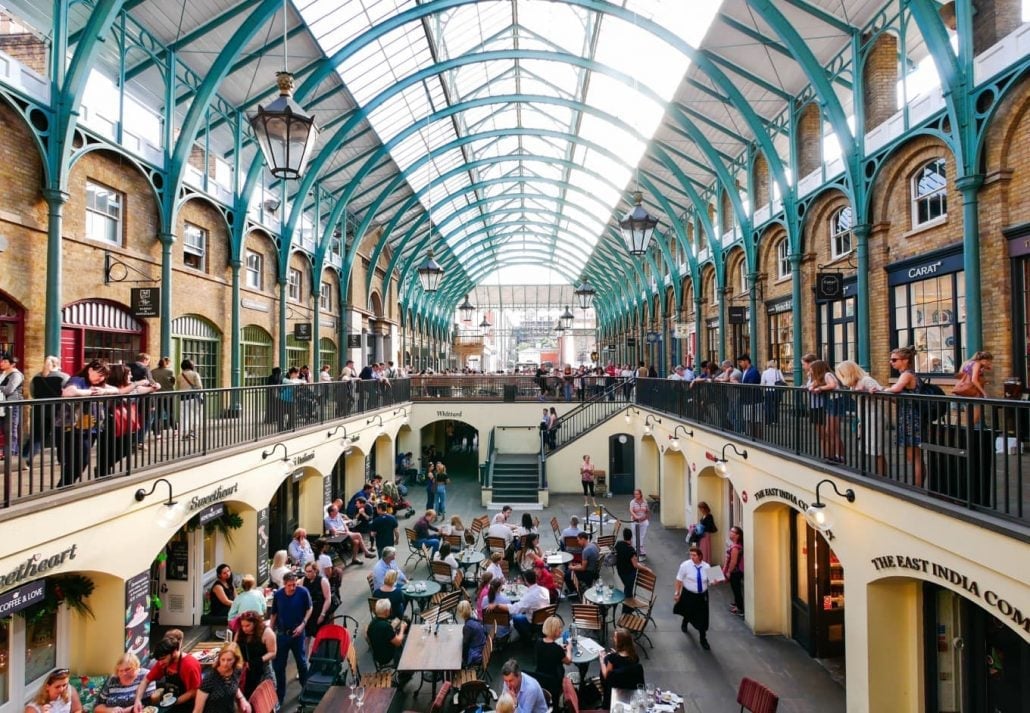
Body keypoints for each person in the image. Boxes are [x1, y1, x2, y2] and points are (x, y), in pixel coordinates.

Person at [58, 360, 117, 487]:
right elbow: (69, 393)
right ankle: (62, 488)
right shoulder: (78, 380)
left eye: (104, 376)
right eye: (99, 374)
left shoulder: (100, 385)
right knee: (78, 462)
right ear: (90, 370)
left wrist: (104, 391)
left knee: (77, 462)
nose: (101, 378)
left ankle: (64, 486)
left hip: (91, 428)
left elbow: (117, 390)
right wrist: (90, 392)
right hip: (74, 428)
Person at [835, 360, 887, 476]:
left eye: (842, 375)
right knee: (867, 447)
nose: (841, 378)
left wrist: (869, 391)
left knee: (876, 449)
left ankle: (882, 476)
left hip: (873, 416)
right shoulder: (853, 384)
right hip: (863, 416)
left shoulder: (866, 380)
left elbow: (882, 393)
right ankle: (870, 473)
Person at [269, 572, 312, 705]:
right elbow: (274, 613)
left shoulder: (303, 592)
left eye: (294, 584)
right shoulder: (278, 595)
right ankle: (280, 696)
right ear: (284, 584)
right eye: (289, 585)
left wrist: (303, 624)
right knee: (279, 666)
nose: (293, 588)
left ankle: (305, 690)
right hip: (282, 635)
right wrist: (270, 630)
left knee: (302, 663)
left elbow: (309, 608)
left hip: (298, 634)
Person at [885, 346, 924, 488]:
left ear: (905, 360)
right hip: (907, 417)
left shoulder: (907, 375)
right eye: (891, 360)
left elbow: (896, 389)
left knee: (914, 457)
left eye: (894, 360)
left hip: (911, 419)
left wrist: (882, 390)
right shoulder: (909, 374)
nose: (891, 362)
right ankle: (917, 485)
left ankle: (917, 486)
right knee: (911, 456)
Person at [133, 637, 202, 713]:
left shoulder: (190, 665)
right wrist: (137, 701)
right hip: (170, 700)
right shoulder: (162, 662)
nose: (160, 663)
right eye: (159, 660)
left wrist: (171, 703)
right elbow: (145, 681)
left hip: (188, 705)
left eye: (163, 658)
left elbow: (193, 692)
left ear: (174, 652)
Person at [22, 355, 69, 465]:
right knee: (60, 435)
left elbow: (33, 393)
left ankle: (26, 457)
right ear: (57, 364)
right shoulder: (64, 377)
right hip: (58, 410)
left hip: (39, 409)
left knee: (37, 435)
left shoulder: (36, 377)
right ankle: (62, 460)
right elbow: (67, 394)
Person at [674, 546, 715, 650]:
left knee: (703, 617)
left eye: (694, 555)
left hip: (702, 595)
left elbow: (713, 580)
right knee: (688, 611)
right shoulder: (685, 565)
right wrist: (677, 592)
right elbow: (679, 580)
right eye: (690, 555)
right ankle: (685, 621)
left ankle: (703, 638)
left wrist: (714, 581)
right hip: (689, 594)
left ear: (700, 556)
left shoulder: (707, 566)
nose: (692, 557)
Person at [192, 643, 249, 713]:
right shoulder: (209, 678)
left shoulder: (236, 671)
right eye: (223, 659)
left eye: (229, 660)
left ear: (235, 660)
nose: (225, 663)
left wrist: (242, 699)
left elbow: (234, 686)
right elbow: (198, 710)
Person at [233, 611, 276, 699]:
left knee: (263, 697)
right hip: (244, 669)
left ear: (255, 624)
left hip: (262, 668)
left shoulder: (267, 632)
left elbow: (272, 652)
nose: (244, 629)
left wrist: (258, 661)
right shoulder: (240, 632)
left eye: (248, 625)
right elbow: (235, 646)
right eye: (242, 626)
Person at [808, 359, 844, 463]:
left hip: (835, 401)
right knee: (829, 430)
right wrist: (813, 387)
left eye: (812, 370)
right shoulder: (820, 378)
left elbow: (832, 385)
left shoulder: (827, 375)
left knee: (833, 431)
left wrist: (820, 388)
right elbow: (811, 386)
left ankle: (840, 455)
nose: (811, 372)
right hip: (830, 402)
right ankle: (836, 455)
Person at [599, 628, 643, 708]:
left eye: (615, 638)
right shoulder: (634, 656)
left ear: (620, 642)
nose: (613, 639)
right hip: (630, 687)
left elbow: (606, 676)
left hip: (614, 690)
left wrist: (602, 660)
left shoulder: (612, 658)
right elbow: (626, 665)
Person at [534, 616, 570, 703]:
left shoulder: (538, 642)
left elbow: (548, 651)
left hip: (540, 676)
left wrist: (559, 647)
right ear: (555, 630)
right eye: (559, 628)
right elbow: (568, 661)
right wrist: (569, 649)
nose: (561, 630)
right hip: (554, 679)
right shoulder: (557, 649)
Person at [367, 598, 409, 672]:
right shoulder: (386, 627)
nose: (390, 610)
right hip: (387, 657)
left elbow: (382, 632)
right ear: (386, 611)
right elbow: (398, 642)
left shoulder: (372, 623)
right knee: (406, 640)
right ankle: (405, 671)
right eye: (390, 609)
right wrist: (402, 628)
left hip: (378, 654)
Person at [509, 568, 551, 640]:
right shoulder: (545, 590)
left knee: (516, 617)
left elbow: (515, 609)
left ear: (525, 581)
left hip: (534, 623)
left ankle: (526, 637)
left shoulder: (529, 597)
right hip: (545, 618)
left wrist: (500, 606)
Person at [614, 527, 652, 604]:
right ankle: (627, 608)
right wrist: (646, 568)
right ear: (631, 537)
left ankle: (627, 606)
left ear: (624, 536)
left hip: (620, 571)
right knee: (628, 591)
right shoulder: (631, 550)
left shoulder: (618, 544)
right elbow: (635, 565)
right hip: (628, 574)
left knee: (627, 589)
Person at [0, 351, 24, 464]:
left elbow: (9, 389)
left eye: (5, 361)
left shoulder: (16, 375)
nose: (2, 363)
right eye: (2, 361)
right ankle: (8, 451)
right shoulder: (3, 374)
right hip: (3, 404)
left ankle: (12, 451)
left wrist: (1, 387)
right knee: (5, 428)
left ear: (12, 364)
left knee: (11, 427)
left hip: (12, 404)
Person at [301, 561, 333, 637]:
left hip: (319, 610)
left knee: (321, 636)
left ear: (315, 570)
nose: (307, 573)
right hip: (308, 612)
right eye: (306, 571)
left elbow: (328, 598)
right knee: (306, 637)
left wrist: (322, 614)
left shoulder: (322, 581)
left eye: (310, 571)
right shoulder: (303, 580)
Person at [176, 359, 203, 440]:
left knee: (184, 416)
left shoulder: (179, 376)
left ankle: (185, 433)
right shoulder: (195, 374)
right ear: (191, 365)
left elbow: (178, 386)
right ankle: (193, 432)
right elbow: (199, 386)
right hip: (193, 397)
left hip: (182, 397)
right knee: (195, 415)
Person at [150, 357, 177, 434]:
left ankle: (157, 433)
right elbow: (173, 382)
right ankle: (175, 430)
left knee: (157, 414)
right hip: (168, 395)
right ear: (167, 363)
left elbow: (151, 382)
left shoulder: (153, 371)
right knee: (170, 412)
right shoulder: (170, 371)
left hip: (157, 395)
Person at [457, 600, 487, 667]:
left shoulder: (467, 627)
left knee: (457, 653)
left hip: (476, 654)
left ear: (461, 614)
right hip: (482, 647)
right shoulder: (475, 620)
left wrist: (464, 660)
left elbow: (465, 645)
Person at [724, 525, 745, 617]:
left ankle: (740, 609)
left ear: (737, 535)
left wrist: (729, 572)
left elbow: (733, 561)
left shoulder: (735, 548)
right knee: (735, 589)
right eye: (730, 531)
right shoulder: (735, 545)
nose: (730, 533)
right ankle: (737, 604)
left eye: (732, 532)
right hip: (736, 571)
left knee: (736, 590)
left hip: (735, 572)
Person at [760, 358, 786, 425]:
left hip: (768, 391)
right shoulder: (778, 371)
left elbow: (762, 383)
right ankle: (775, 421)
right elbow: (783, 380)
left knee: (768, 406)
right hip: (777, 391)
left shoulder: (765, 372)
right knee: (776, 406)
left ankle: (768, 421)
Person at [629, 489, 650, 559]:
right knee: (635, 535)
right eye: (635, 494)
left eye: (637, 494)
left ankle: (640, 548)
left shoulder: (644, 501)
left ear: (640, 494)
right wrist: (636, 517)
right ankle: (636, 549)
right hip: (635, 521)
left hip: (644, 521)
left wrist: (646, 517)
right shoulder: (632, 502)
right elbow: (631, 511)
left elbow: (647, 510)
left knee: (642, 535)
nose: (636, 495)